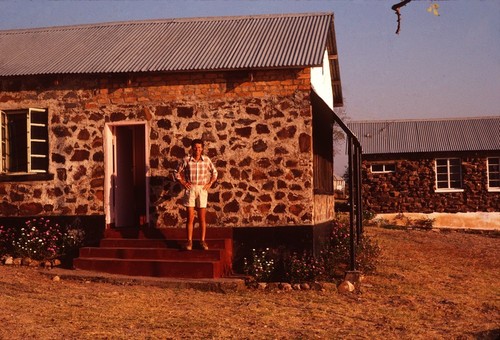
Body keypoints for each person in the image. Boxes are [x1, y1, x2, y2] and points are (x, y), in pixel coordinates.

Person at [175, 139, 217, 250]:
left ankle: (202, 241)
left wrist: (210, 183)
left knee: (202, 217)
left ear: (202, 148)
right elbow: (176, 172)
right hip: (191, 189)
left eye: (199, 147)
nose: (197, 149)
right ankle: (189, 242)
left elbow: (215, 172)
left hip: (202, 189)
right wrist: (183, 182)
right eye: (195, 147)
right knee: (190, 217)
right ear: (192, 148)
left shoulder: (206, 160)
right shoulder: (186, 160)